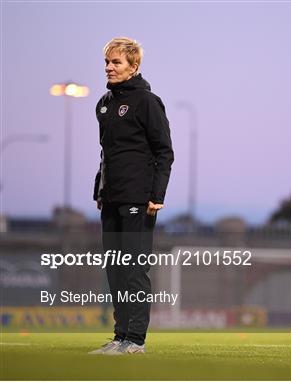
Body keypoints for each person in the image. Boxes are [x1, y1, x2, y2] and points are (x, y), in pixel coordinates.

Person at [89, 37, 174, 355]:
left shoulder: (148, 102)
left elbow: (164, 151)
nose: (109, 68)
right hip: (110, 197)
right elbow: (106, 152)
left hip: (139, 199)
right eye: (107, 63)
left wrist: (157, 194)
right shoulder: (103, 103)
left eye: (116, 63)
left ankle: (135, 340)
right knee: (114, 269)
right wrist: (100, 187)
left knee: (134, 268)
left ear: (133, 66)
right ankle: (120, 336)